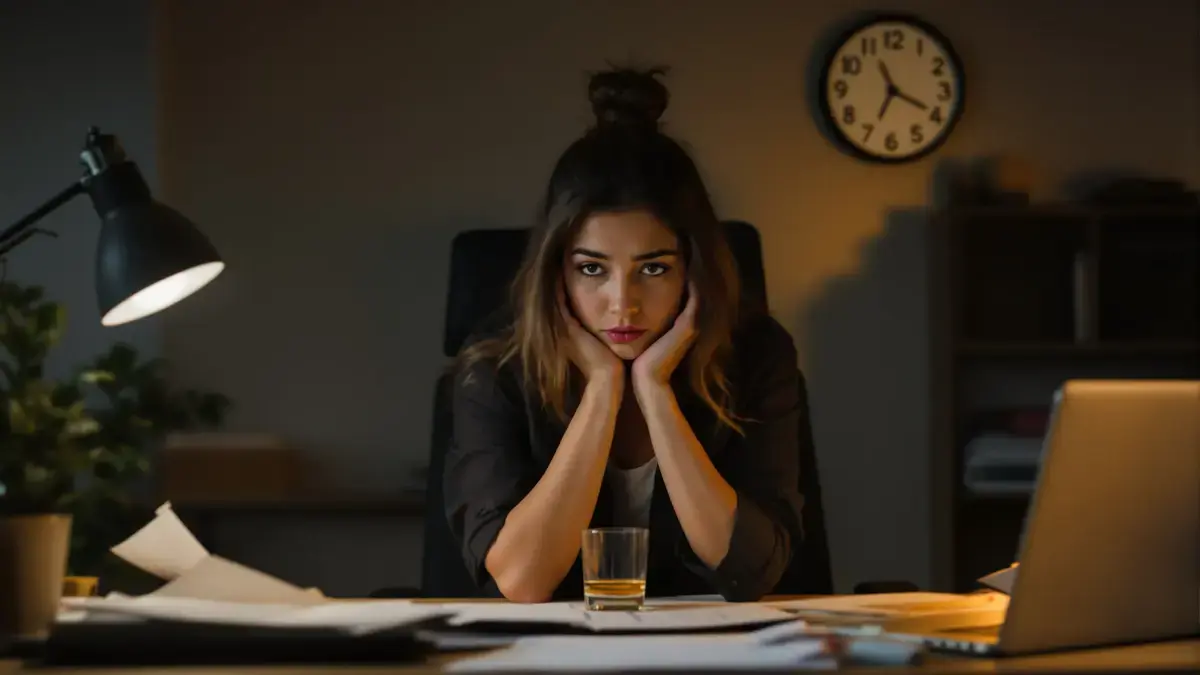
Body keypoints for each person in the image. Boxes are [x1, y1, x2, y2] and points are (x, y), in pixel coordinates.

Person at [443, 66, 805, 603]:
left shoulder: (755, 355)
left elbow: (751, 572)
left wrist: (657, 395)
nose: (623, 302)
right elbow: (522, 580)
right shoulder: (497, 368)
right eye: (593, 269)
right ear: (556, 272)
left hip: (711, 655)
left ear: (694, 269)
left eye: (653, 268)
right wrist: (603, 390)